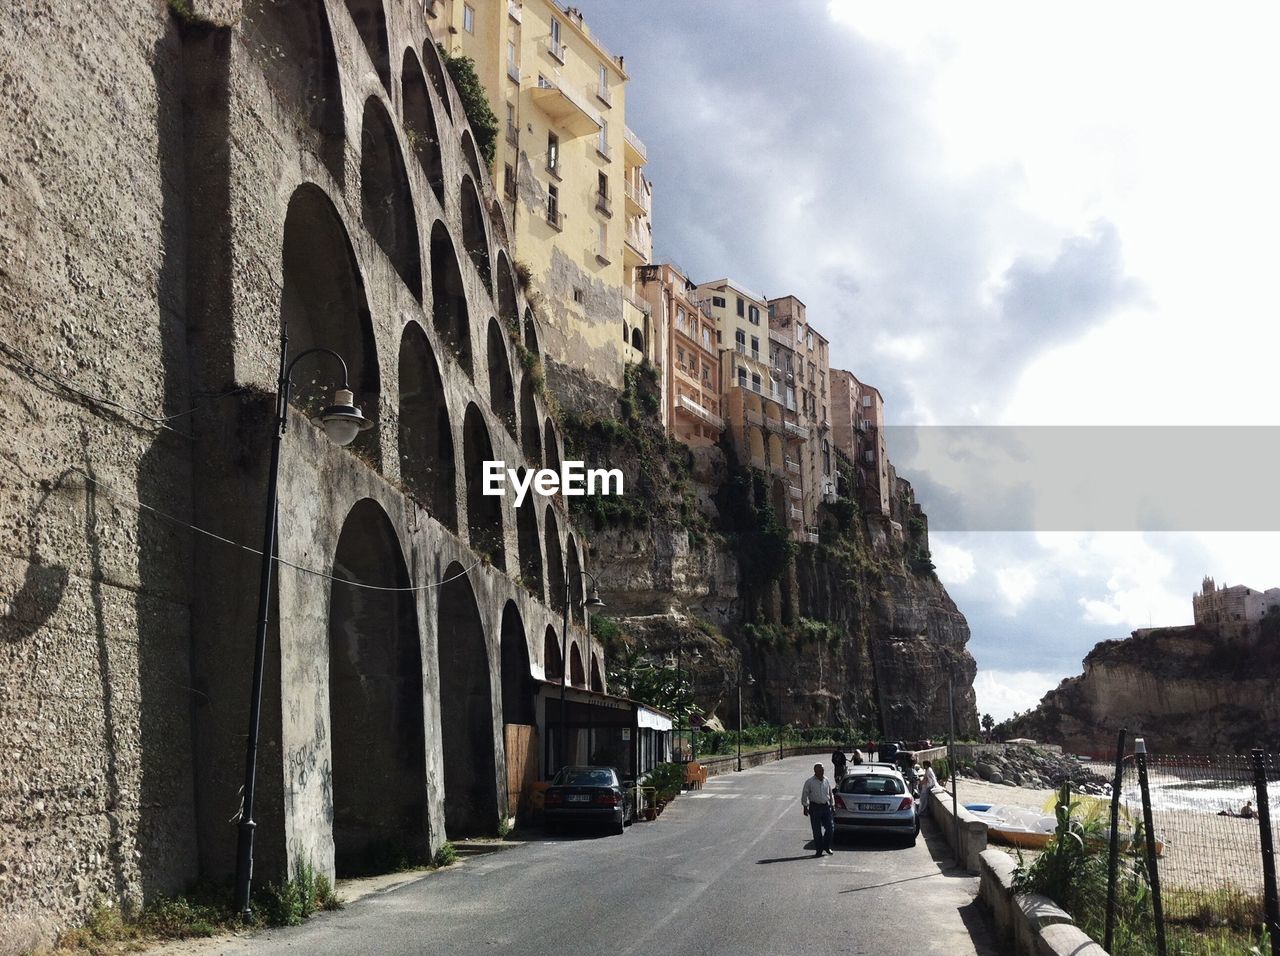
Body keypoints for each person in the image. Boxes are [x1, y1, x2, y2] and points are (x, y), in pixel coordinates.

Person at [801, 763, 835, 857]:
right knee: (816, 831)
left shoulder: (826, 780)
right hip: (815, 807)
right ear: (815, 771)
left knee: (830, 829)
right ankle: (819, 850)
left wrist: (833, 805)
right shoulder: (810, 781)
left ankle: (826, 846)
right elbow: (805, 793)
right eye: (820, 771)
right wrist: (805, 806)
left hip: (825, 807)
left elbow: (830, 793)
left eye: (823, 770)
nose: (822, 772)